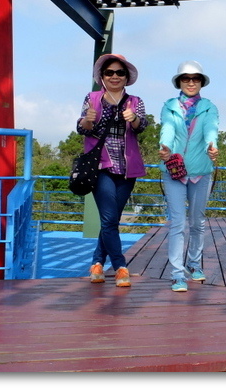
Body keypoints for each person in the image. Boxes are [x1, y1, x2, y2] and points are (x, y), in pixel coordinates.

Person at [78, 53, 149, 287]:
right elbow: (83, 129)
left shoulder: (135, 101)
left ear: (126, 77)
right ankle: (120, 266)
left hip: (128, 168)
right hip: (101, 166)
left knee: (111, 220)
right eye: (110, 72)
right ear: (102, 76)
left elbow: (142, 127)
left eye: (120, 72)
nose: (115, 76)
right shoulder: (92, 98)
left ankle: (97, 263)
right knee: (109, 219)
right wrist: (88, 120)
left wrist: (134, 119)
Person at [158, 60, 220, 292]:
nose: (191, 82)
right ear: (179, 82)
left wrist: (212, 147)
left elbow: (211, 130)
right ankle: (177, 274)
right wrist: (164, 146)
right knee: (177, 223)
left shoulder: (209, 107)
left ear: (201, 82)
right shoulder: (169, 105)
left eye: (195, 79)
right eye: (186, 78)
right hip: (174, 171)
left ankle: (194, 264)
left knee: (197, 223)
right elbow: (168, 128)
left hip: (201, 172)